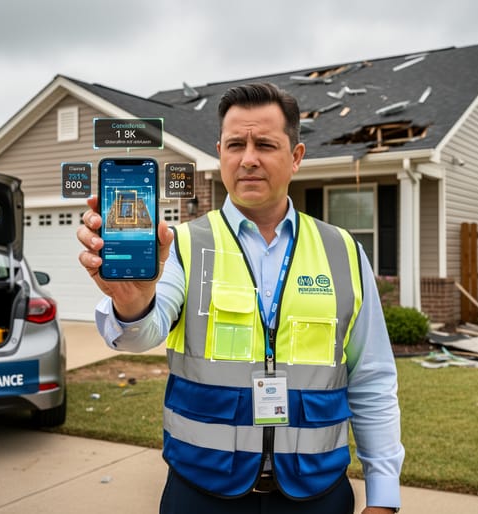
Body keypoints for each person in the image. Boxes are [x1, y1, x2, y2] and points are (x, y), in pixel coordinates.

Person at [78, 82, 403, 514]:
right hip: (200, 493)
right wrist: (131, 301)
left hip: (317, 495)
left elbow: (373, 379)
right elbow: (141, 335)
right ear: (220, 153)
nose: (248, 158)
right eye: (235, 144)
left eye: (265, 144)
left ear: (296, 157)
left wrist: (384, 495)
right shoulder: (181, 245)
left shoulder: (343, 251)